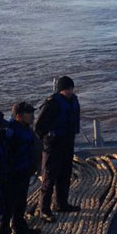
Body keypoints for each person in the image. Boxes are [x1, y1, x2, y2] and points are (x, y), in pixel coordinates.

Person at [34, 75, 81, 222]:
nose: (70, 91)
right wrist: (47, 139)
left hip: (68, 141)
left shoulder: (73, 100)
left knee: (65, 174)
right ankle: (44, 210)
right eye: (67, 89)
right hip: (53, 145)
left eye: (71, 88)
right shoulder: (52, 104)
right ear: (61, 90)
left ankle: (61, 203)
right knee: (49, 177)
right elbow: (38, 127)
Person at [4, 101, 41, 234]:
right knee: (10, 206)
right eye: (29, 113)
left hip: (25, 170)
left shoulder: (26, 128)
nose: (32, 116)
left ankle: (20, 228)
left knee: (21, 203)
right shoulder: (11, 132)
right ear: (19, 116)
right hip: (14, 174)